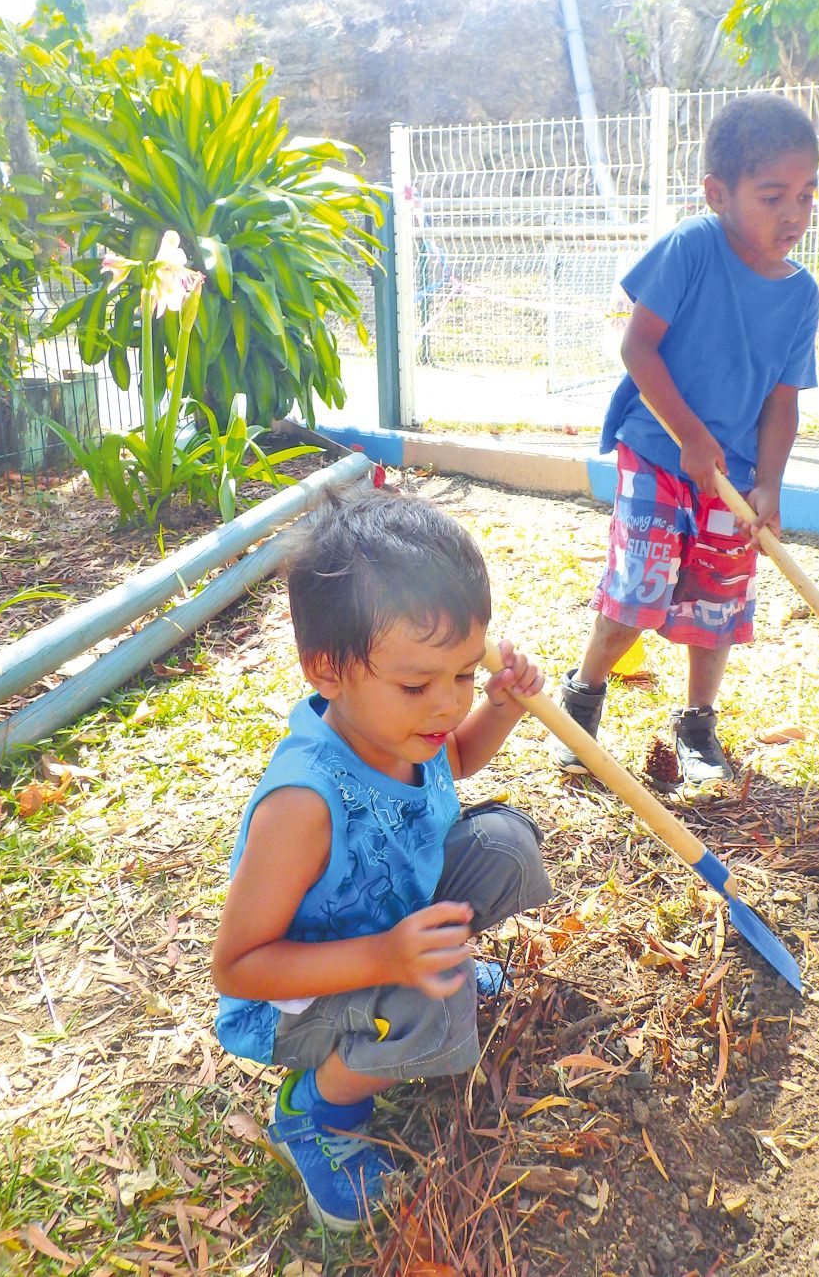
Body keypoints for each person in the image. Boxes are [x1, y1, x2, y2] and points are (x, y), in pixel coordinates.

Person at [212, 488, 551, 1231]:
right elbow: (238, 968)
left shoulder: (406, 732)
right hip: (298, 995)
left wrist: (501, 708)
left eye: (464, 674)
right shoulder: (303, 805)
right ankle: (318, 1111)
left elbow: (455, 758)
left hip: (382, 921)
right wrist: (390, 959)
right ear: (326, 671)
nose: (445, 706)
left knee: (504, 847)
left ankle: (405, 998)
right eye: (417, 684)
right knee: (437, 995)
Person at [551, 92, 819, 789]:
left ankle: (697, 725)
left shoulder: (801, 294)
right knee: (638, 591)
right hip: (659, 453)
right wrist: (693, 439)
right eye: (772, 196)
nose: (793, 213)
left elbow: (782, 399)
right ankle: (582, 695)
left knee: (717, 601)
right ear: (717, 192)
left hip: (729, 474)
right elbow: (638, 350)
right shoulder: (693, 247)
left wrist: (768, 481)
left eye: (806, 194)